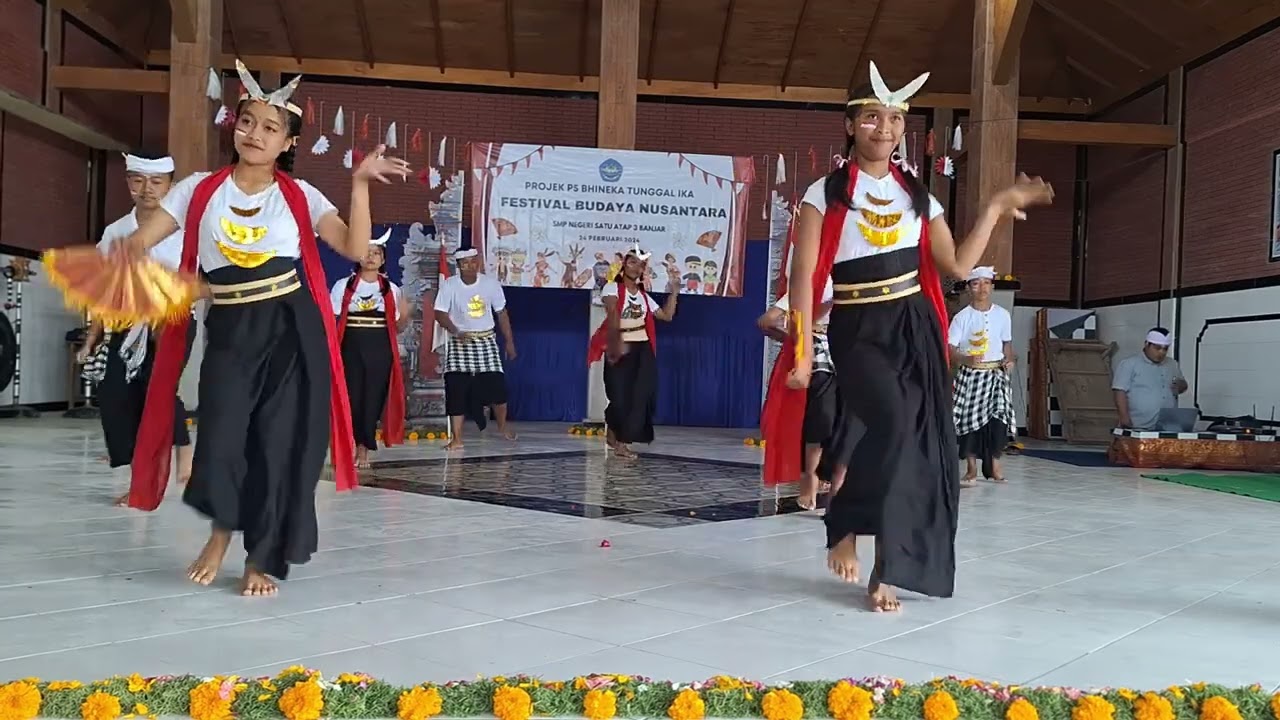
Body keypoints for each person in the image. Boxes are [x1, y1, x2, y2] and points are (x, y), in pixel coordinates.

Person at [762, 61, 1053, 612]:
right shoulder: (823, 194)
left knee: (920, 442)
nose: (885, 127)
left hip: (914, 323)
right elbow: (803, 279)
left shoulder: (919, 195)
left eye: (895, 118)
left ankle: (886, 564)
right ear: (851, 125)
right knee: (895, 425)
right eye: (873, 117)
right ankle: (844, 520)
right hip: (857, 326)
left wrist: (994, 207)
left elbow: (957, 266)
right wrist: (800, 352)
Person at [114, 61, 411, 596]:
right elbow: (137, 245)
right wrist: (169, 281)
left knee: (277, 445)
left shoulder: (300, 196)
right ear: (235, 126)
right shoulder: (197, 190)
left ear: (288, 142)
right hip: (230, 330)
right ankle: (220, 534)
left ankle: (259, 558)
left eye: (270, 128)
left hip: (291, 329)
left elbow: (352, 247)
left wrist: (361, 184)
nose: (255, 134)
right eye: (248, 121)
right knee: (223, 437)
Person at [78, 151, 196, 506]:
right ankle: (139, 473)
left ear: (170, 186)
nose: (147, 189)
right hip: (127, 322)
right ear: (128, 182)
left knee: (157, 392)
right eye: (138, 180)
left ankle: (170, 469)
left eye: (157, 182)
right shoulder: (116, 231)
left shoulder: (185, 230)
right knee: (114, 394)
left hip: (171, 320)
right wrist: (93, 335)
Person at [757, 276, 849, 509]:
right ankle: (810, 481)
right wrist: (798, 337)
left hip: (847, 354)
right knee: (822, 420)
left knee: (843, 422)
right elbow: (767, 321)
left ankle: (833, 486)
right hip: (818, 357)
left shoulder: (848, 280)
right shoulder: (812, 286)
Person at [587, 244, 679, 458]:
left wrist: (674, 293)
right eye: (632, 262)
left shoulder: (645, 297)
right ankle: (613, 424)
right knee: (619, 397)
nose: (637, 267)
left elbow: (666, 316)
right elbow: (612, 314)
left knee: (640, 397)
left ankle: (622, 443)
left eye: (641, 265)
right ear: (624, 265)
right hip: (620, 345)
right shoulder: (612, 288)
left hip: (643, 349)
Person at [331, 230, 406, 468]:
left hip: (379, 346)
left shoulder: (391, 289)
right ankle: (349, 445)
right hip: (351, 345)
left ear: (383, 259)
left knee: (373, 397)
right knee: (351, 396)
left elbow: (397, 324)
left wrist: (407, 314)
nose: (371, 257)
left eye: (376, 253)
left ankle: (364, 448)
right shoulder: (344, 285)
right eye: (366, 252)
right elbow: (332, 318)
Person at [433, 247, 518, 449]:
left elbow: (502, 313)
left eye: (473, 261)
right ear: (459, 266)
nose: (470, 266)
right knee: (456, 388)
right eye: (465, 263)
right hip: (460, 341)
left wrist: (509, 341)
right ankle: (457, 439)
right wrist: (455, 331)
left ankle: (502, 426)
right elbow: (440, 313)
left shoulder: (491, 284)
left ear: (478, 262)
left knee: (497, 386)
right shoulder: (450, 285)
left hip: (486, 340)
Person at [948, 266, 1016, 485]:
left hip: (996, 374)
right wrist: (966, 359)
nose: (982, 288)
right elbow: (950, 348)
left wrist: (1009, 359)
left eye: (986, 283)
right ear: (969, 288)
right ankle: (971, 470)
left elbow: (1006, 344)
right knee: (969, 422)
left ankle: (995, 467)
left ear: (992, 287)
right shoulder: (962, 317)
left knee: (998, 420)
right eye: (976, 283)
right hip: (971, 376)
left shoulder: (1002, 315)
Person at [1112, 327, 1186, 430]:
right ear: (1146, 344)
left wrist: (1180, 385)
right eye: (1157, 348)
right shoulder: (1129, 364)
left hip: (1168, 425)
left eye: (1165, 349)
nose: (1161, 352)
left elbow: (1182, 386)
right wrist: (1124, 417)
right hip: (1138, 425)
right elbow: (1119, 392)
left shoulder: (1172, 364)